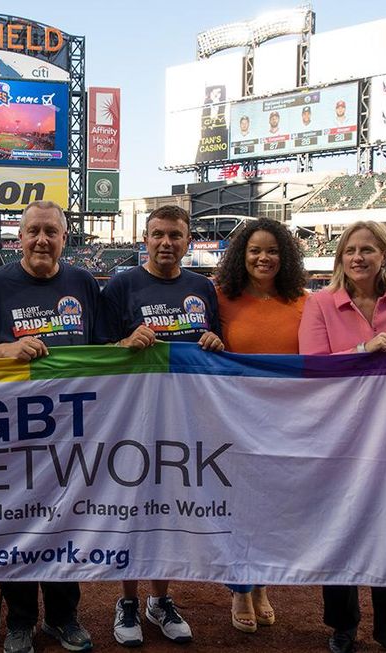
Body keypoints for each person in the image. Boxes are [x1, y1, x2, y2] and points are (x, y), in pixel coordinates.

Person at [298, 220, 386, 653]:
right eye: (350, 250)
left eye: (367, 250)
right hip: (335, 434)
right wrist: (363, 350)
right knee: (340, 527)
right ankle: (342, 625)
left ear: (384, 256)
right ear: (340, 258)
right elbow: (313, 365)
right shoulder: (321, 302)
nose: (358, 257)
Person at [0, 200, 98, 653]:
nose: (42, 239)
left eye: (51, 231)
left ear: (64, 237)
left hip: (71, 429)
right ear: (18, 237)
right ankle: (20, 620)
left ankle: (63, 616)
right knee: (14, 524)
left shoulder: (83, 282)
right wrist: (2, 351)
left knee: (66, 524)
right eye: (33, 231)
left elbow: (103, 351)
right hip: (11, 428)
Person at [99, 205, 223, 648]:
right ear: (145, 239)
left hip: (188, 420)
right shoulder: (122, 284)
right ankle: (128, 600)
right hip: (134, 417)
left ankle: (161, 600)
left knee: (171, 510)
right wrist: (124, 344)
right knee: (134, 508)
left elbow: (218, 346)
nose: (166, 242)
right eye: (158, 235)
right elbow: (98, 350)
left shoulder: (201, 288)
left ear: (188, 241)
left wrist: (213, 341)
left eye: (175, 235)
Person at [213, 218, 308, 634]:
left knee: (272, 509)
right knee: (238, 507)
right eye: (254, 251)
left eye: (272, 250)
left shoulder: (307, 301)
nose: (263, 258)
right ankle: (239, 586)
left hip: (287, 422)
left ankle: (262, 584)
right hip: (234, 421)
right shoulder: (220, 298)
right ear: (241, 256)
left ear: (284, 256)